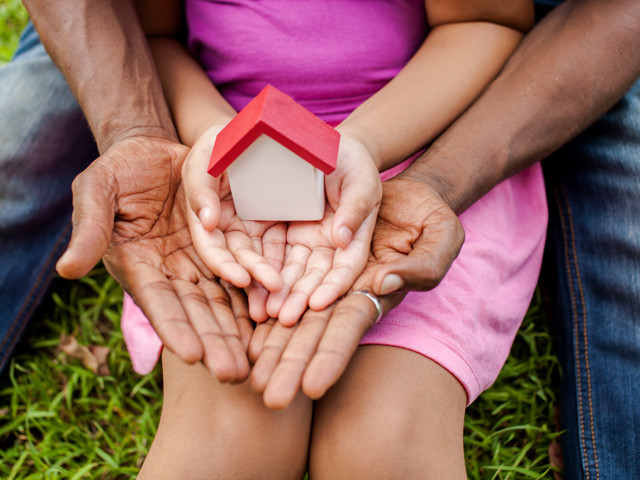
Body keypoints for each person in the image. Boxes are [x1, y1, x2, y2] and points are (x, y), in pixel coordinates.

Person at [131, 0, 546, 478]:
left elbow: (484, 20)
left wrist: (358, 144)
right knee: (229, 438)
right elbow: (153, 38)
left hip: (419, 148)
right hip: (226, 175)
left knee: (381, 444)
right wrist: (222, 140)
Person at [250, 0, 640, 478]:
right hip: (257, 173)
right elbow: (153, 37)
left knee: (383, 439)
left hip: (432, 120)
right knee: (240, 429)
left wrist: (429, 181)